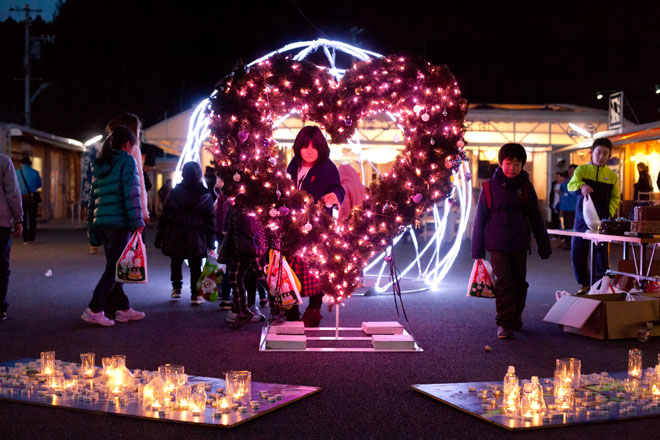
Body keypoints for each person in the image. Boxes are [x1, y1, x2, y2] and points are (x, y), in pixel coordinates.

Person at [472, 143, 551, 339]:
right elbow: (480, 218)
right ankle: (505, 323)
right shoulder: (489, 187)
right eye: (508, 163)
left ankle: (515, 317)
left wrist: (544, 244)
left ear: (522, 165)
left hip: (519, 243)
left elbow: (536, 217)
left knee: (519, 283)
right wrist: (477, 250)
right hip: (496, 243)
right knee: (505, 281)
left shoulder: (526, 187)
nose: (512, 168)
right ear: (500, 163)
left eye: (517, 164)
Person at [82, 126, 145, 327]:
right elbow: (131, 194)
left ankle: (122, 308)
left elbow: (93, 198)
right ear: (128, 145)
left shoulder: (101, 164)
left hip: (103, 222)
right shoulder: (127, 161)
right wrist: (138, 222)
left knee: (115, 268)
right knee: (115, 270)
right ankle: (94, 309)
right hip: (119, 223)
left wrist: (92, 227)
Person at [285, 126, 345, 327]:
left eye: (314, 147)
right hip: (293, 227)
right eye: (305, 146)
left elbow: (338, 187)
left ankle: (313, 309)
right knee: (292, 269)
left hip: (317, 226)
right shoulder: (293, 165)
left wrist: (335, 197)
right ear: (298, 147)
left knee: (315, 269)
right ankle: (290, 308)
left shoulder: (327, 167)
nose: (309, 151)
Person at [155, 162, 215, 305]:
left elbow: (166, 214)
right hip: (197, 233)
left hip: (176, 231)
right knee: (196, 264)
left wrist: (160, 234)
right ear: (199, 175)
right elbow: (210, 219)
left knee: (176, 260)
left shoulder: (175, 192)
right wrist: (211, 241)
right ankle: (195, 294)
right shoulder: (205, 195)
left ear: (183, 174)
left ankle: (176, 288)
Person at [567, 138, 620, 295]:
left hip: (602, 224)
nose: (601, 156)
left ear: (609, 156)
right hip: (581, 221)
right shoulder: (582, 170)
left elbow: (615, 198)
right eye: (598, 152)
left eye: (605, 154)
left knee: (601, 255)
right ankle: (584, 284)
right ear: (591, 153)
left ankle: (599, 287)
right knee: (577, 252)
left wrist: (609, 214)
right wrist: (581, 186)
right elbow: (571, 186)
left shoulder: (611, 176)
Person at [219, 201, 269, 329]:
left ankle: (280, 309)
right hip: (242, 247)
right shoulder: (236, 204)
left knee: (263, 279)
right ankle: (242, 312)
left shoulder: (250, 200)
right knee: (235, 277)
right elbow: (232, 226)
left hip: (252, 246)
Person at [106, 113, 150, 225]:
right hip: (126, 213)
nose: (139, 133)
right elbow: (139, 182)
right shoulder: (132, 150)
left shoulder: (106, 148)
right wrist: (144, 213)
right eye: (138, 129)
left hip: (106, 213)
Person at [0, 154, 23, 321]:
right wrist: (18, 219)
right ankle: (0, 307)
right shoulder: (3, 161)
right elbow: (12, 192)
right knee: (1, 265)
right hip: (1, 222)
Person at [16, 156, 42, 244]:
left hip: (21, 198)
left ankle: (25, 238)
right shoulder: (35, 172)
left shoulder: (17, 173)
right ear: (30, 164)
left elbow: (14, 185)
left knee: (22, 218)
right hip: (32, 197)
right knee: (32, 218)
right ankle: (32, 237)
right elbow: (39, 184)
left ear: (21, 163)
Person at [559, 166, 578, 249]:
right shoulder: (566, 180)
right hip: (565, 207)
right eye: (569, 170)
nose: (570, 172)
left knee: (571, 225)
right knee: (565, 225)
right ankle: (566, 241)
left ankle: (571, 243)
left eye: (572, 170)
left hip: (573, 207)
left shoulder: (577, 180)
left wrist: (564, 185)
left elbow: (570, 190)